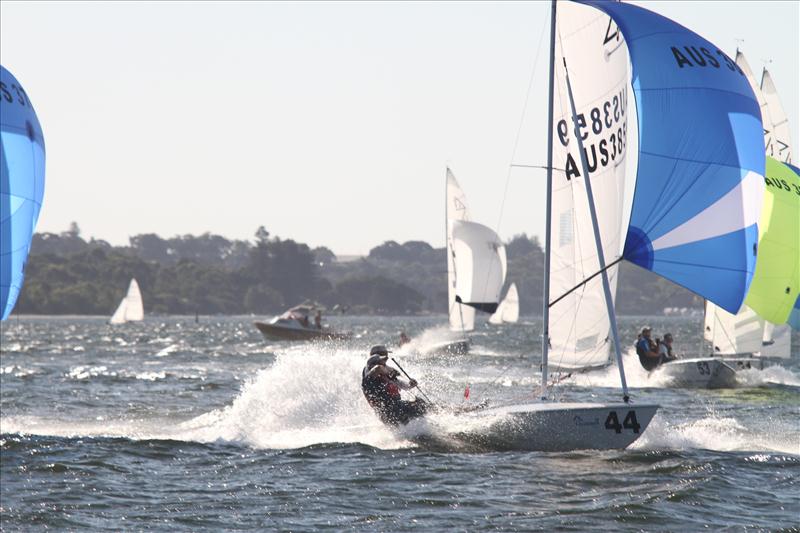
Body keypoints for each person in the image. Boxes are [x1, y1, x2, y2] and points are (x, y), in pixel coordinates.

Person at [361, 344, 430, 426]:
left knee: (421, 404)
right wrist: (390, 371)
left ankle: (422, 429)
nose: (386, 358)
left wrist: (411, 384)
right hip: (388, 409)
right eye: (384, 356)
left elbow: (404, 386)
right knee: (420, 406)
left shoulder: (387, 371)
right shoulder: (369, 371)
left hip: (394, 407)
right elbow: (378, 369)